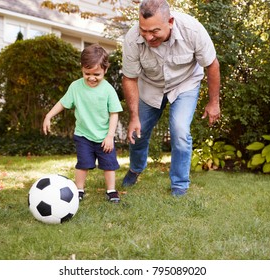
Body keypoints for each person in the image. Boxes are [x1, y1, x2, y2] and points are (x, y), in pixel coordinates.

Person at [121, 0, 221, 196]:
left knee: (180, 130)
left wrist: (213, 102)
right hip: (150, 86)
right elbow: (129, 78)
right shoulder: (132, 39)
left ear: (170, 21)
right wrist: (134, 117)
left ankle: (179, 185)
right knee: (137, 133)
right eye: (144, 30)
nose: (148, 37)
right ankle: (135, 168)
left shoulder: (192, 30)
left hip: (185, 84)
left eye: (155, 31)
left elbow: (212, 65)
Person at [43, 44, 123, 203]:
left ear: (105, 70)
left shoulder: (108, 90)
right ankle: (78, 190)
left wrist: (109, 136)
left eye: (97, 74)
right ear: (81, 69)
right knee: (83, 164)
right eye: (87, 73)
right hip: (83, 135)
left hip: (104, 137)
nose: (92, 77)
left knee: (109, 165)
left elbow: (114, 114)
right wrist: (48, 116)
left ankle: (111, 190)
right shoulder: (75, 87)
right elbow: (63, 103)